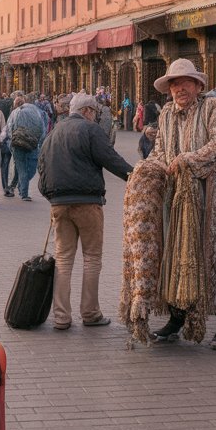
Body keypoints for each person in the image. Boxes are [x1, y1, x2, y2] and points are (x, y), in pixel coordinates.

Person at [146, 59, 216, 350]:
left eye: (185, 82)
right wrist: (149, 169)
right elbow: (161, 150)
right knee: (178, 253)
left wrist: (187, 160)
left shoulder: (213, 107)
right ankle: (177, 318)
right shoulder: (167, 113)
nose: (179, 88)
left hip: (214, 195)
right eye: (174, 83)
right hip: (179, 198)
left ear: (198, 85)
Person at [38, 92, 132, 330]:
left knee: (63, 258)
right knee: (91, 258)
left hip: (59, 204)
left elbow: (42, 172)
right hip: (87, 202)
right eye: (95, 113)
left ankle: (61, 316)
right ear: (88, 111)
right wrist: (136, 176)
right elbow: (111, 159)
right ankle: (90, 313)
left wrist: (52, 197)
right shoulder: (90, 130)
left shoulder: (53, 133)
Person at [4, 93, 46, 202]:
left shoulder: (14, 113)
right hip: (32, 143)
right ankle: (23, 191)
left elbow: (9, 128)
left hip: (17, 144)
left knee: (21, 167)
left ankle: (21, 188)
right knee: (30, 167)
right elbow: (42, 127)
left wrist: (11, 140)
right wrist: (39, 141)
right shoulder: (35, 111)